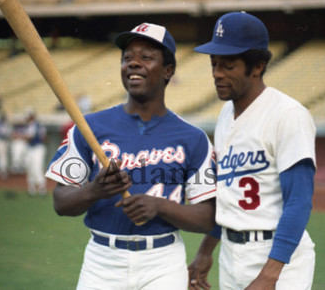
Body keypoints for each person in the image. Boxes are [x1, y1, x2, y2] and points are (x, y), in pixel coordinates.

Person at [45, 23, 217, 289]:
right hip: (102, 261)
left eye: (146, 57)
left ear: (168, 70)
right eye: (127, 58)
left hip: (163, 261)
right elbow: (60, 202)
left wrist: (160, 206)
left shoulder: (193, 138)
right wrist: (93, 191)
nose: (134, 64)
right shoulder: (89, 127)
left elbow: (207, 217)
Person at [188, 12, 316, 290]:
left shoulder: (288, 114)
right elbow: (228, 195)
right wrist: (205, 250)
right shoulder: (225, 114)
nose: (216, 73)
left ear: (257, 65)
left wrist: (269, 276)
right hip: (231, 255)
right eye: (214, 63)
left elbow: (299, 201)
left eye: (228, 65)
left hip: (277, 257)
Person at [25, 108, 47, 196]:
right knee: (30, 166)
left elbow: (43, 138)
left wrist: (19, 136)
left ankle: (42, 187)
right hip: (31, 148)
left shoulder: (36, 125)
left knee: (37, 166)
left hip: (37, 147)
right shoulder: (32, 125)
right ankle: (32, 187)